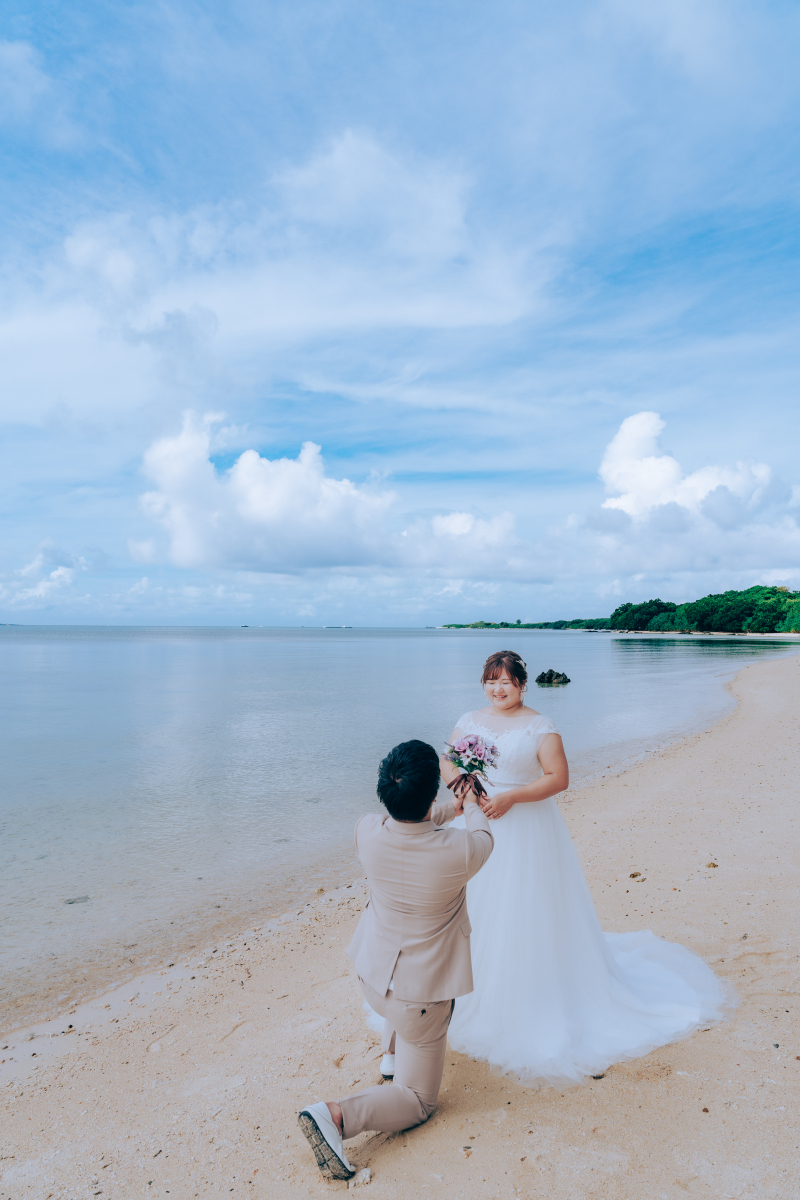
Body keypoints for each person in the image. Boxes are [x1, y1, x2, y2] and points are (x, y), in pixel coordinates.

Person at [440, 649, 733, 1088]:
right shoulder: (470, 718)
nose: (498, 689)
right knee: (477, 905)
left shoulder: (541, 726)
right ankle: (470, 988)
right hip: (477, 818)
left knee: (525, 906)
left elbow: (558, 778)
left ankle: (531, 995)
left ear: (522, 684)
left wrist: (509, 798)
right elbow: (448, 760)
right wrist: (462, 786)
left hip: (526, 826)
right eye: (491, 681)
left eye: (506, 681)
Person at [298, 738, 493, 1181]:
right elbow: (483, 833)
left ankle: (391, 1055)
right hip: (419, 998)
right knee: (420, 1101)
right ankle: (335, 1116)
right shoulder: (459, 853)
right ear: (430, 795)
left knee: (399, 1003)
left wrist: (448, 808)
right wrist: (469, 799)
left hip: (372, 977)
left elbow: (407, 822)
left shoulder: (366, 830)